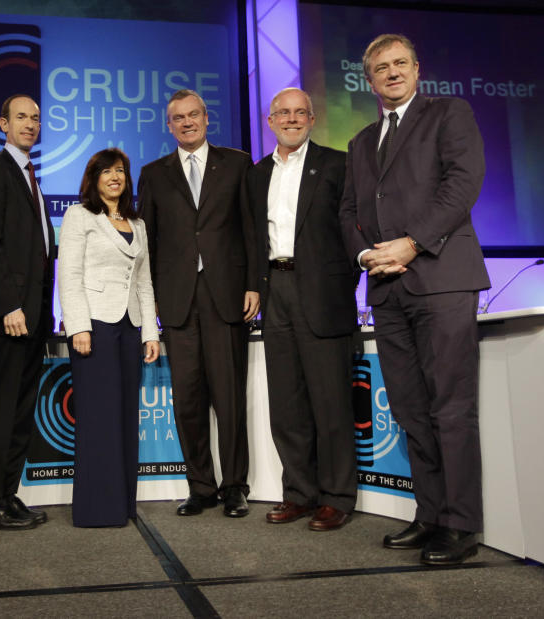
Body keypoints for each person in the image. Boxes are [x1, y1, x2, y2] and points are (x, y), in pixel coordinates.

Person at [339, 34, 489, 565]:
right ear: (369, 79)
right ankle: (430, 515)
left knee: (451, 408)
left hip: (442, 279)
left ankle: (461, 525)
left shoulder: (449, 113)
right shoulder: (360, 142)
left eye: (400, 63)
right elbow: (350, 212)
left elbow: (463, 183)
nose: (392, 72)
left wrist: (412, 242)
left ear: (417, 69)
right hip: (386, 288)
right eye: (381, 67)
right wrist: (365, 257)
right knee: (410, 409)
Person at [138, 89, 260, 518]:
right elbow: (146, 243)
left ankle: (235, 487)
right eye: (178, 117)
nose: (187, 122)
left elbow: (251, 230)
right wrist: (148, 300)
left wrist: (253, 284)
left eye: (194, 115)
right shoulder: (153, 174)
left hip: (227, 297)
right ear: (168, 125)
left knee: (229, 400)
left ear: (207, 119)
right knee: (187, 401)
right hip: (177, 301)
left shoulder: (238, 164)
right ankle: (200, 487)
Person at [246, 88, 357, 531]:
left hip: (323, 293)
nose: (291, 119)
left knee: (330, 402)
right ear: (270, 121)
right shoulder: (256, 174)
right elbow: (253, 237)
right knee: (287, 403)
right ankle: (299, 492)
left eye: (299, 113)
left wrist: (343, 282)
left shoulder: (337, 164)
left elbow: (353, 229)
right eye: (282, 113)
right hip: (276, 292)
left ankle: (336, 496)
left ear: (312, 118)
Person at [58, 148, 161, 527]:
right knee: (98, 417)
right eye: (106, 171)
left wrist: (150, 330)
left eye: (120, 171)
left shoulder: (138, 223)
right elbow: (68, 275)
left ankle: (121, 504)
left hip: (129, 327)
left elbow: (144, 282)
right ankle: (95, 508)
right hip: (96, 327)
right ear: (94, 177)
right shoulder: (79, 216)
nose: (114, 177)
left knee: (124, 416)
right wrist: (78, 326)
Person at [0, 95, 55, 530]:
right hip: (7, 318)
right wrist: (8, 306)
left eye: (36, 118)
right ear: (3, 123)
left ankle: (7, 493)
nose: (30, 124)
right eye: (21, 117)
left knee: (21, 412)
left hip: (34, 317)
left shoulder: (32, 178)